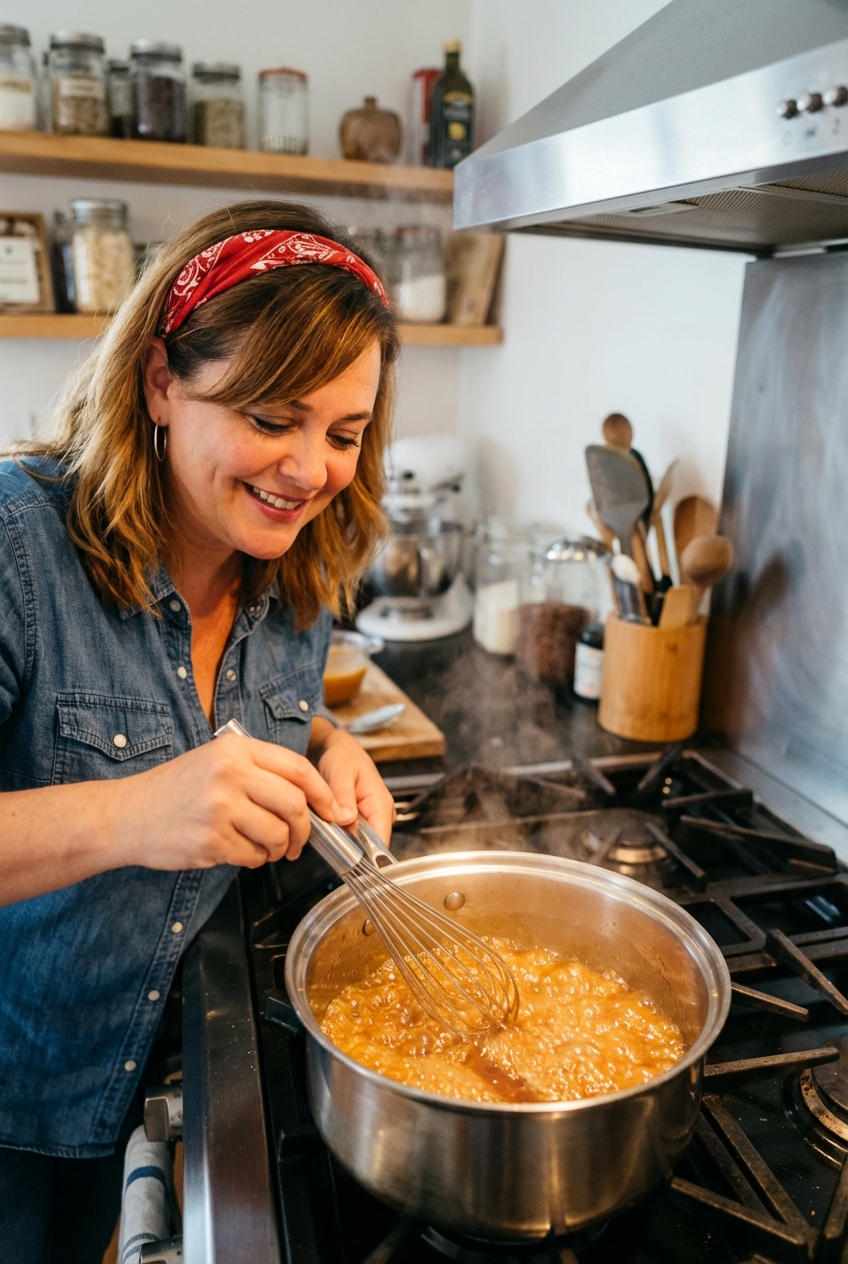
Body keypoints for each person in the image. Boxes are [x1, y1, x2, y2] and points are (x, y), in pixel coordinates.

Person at [0, 199, 398, 1261]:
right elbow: (153, 771)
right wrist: (143, 809)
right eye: (273, 418)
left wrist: (324, 744)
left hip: (165, 1074)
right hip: (15, 1102)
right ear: (162, 382)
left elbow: (221, 711)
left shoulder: (301, 567)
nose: (311, 469)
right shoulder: (17, 543)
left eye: (344, 433)